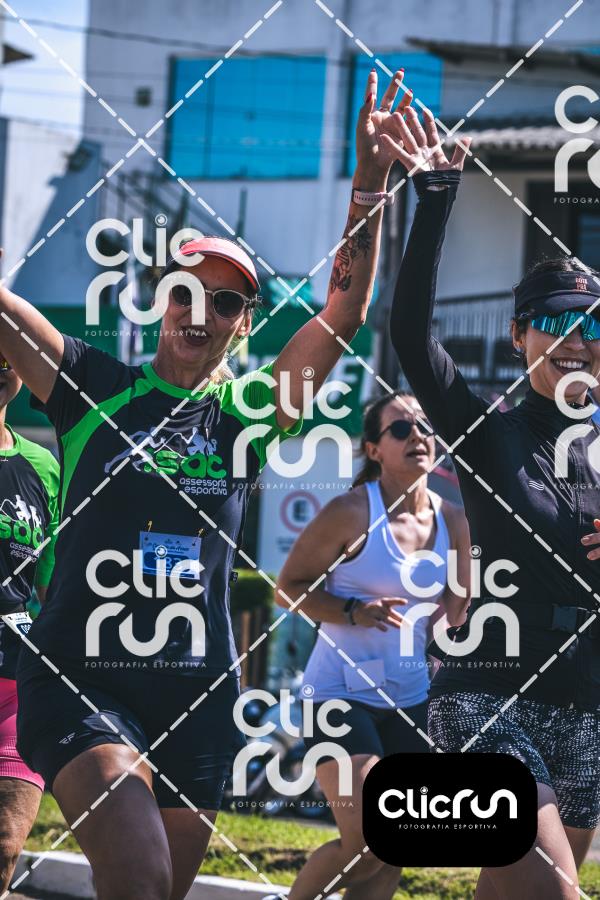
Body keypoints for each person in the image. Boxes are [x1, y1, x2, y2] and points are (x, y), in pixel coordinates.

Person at [0, 69, 410, 900]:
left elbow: (342, 315)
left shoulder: (247, 417)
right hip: (81, 676)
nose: (202, 312)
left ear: (244, 324)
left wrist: (368, 186)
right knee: (140, 876)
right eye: (187, 292)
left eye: (226, 303)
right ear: (161, 299)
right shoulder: (93, 387)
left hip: (197, 690)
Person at [387, 104, 600, 898]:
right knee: (558, 892)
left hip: (586, 707)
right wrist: (436, 198)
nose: (575, 339)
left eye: (591, 323)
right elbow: (411, 337)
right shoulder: (486, 431)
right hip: (486, 697)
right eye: (554, 321)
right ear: (519, 336)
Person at [274, 392, 469, 900]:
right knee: (365, 843)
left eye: (424, 425)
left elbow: (458, 611)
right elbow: (287, 588)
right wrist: (352, 611)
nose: (417, 436)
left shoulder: (454, 520)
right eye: (400, 429)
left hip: (410, 699)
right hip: (337, 695)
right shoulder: (352, 511)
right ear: (374, 450)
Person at [0, 354, 58, 892]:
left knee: (4, 843)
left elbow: (50, 586)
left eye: (7, 354)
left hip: (16, 684)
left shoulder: (42, 464)